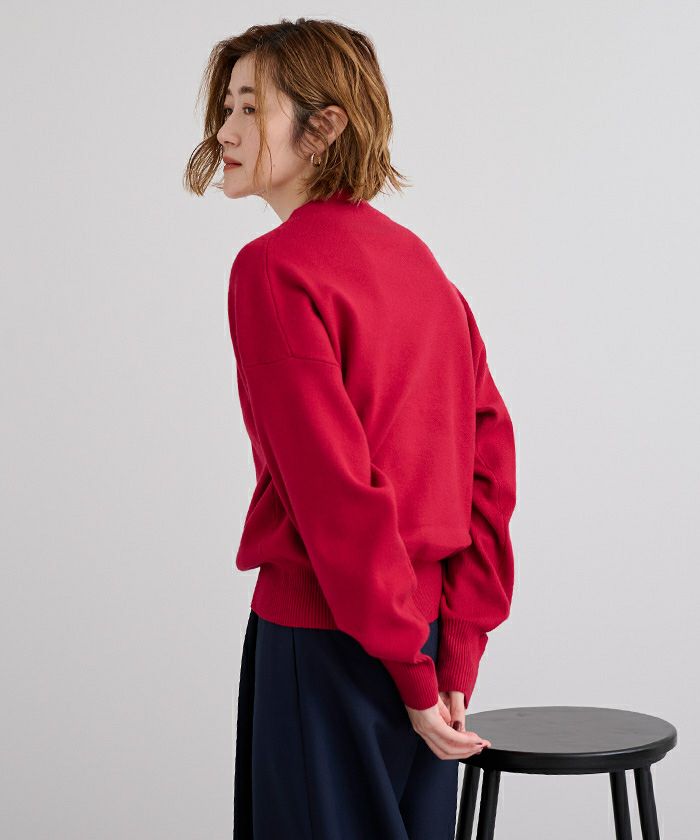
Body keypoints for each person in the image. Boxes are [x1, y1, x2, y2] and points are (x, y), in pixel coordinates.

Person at [185, 17, 517, 840]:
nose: (225, 131)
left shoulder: (273, 270)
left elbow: (334, 494)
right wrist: (449, 655)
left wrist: (413, 666)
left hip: (327, 647)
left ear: (324, 125)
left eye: (250, 107)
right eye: (225, 107)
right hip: (426, 654)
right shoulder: (422, 267)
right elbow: (489, 464)